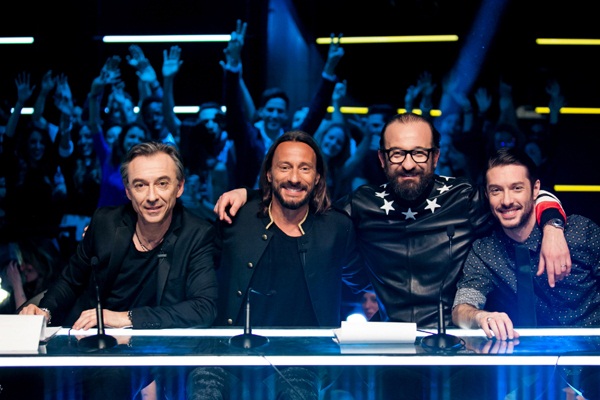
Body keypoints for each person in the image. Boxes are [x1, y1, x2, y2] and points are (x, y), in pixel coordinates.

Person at [215, 113, 570, 329]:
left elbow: (520, 197)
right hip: (389, 346)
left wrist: (553, 227)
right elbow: (302, 199)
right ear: (382, 159)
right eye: (398, 153)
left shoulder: (464, 198)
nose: (409, 163)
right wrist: (252, 194)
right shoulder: (361, 204)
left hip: (459, 344)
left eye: (419, 153)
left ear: (435, 157)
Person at [20, 141, 218, 399]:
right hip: (88, 339)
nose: (151, 196)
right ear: (127, 191)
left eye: (162, 183)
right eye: (140, 185)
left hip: (146, 347)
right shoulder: (105, 222)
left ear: (179, 187)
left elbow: (203, 307)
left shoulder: (197, 234)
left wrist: (126, 318)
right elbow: (70, 280)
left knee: (109, 382)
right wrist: (44, 312)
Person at [188, 130, 363, 400]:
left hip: (302, 358)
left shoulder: (337, 228)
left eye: (304, 168)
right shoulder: (237, 216)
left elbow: (361, 280)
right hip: (226, 353)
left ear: (317, 177)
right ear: (269, 173)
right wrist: (247, 193)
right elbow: (198, 271)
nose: (294, 177)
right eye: (284, 167)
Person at [452, 147, 600, 339]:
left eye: (517, 188)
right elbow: (461, 310)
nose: (507, 200)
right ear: (487, 195)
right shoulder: (485, 252)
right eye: (496, 190)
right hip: (533, 353)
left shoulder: (578, 231)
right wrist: (480, 317)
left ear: (535, 189)